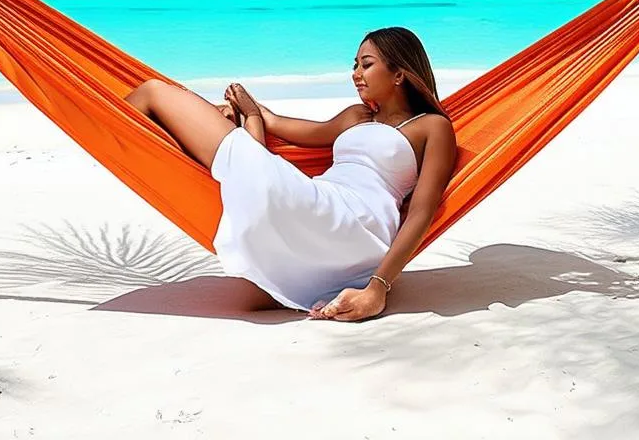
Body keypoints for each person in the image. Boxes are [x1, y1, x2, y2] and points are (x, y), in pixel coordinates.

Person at [124, 26, 457, 321]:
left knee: (154, 92)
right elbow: (279, 124)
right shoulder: (356, 117)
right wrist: (248, 113)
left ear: (399, 74)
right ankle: (118, 135)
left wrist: (378, 288)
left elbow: (421, 212)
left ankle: (105, 129)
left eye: (366, 64)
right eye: (354, 65)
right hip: (317, 204)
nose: (356, 73)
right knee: (251, 293)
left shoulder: (432, 127)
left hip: (355, 220)